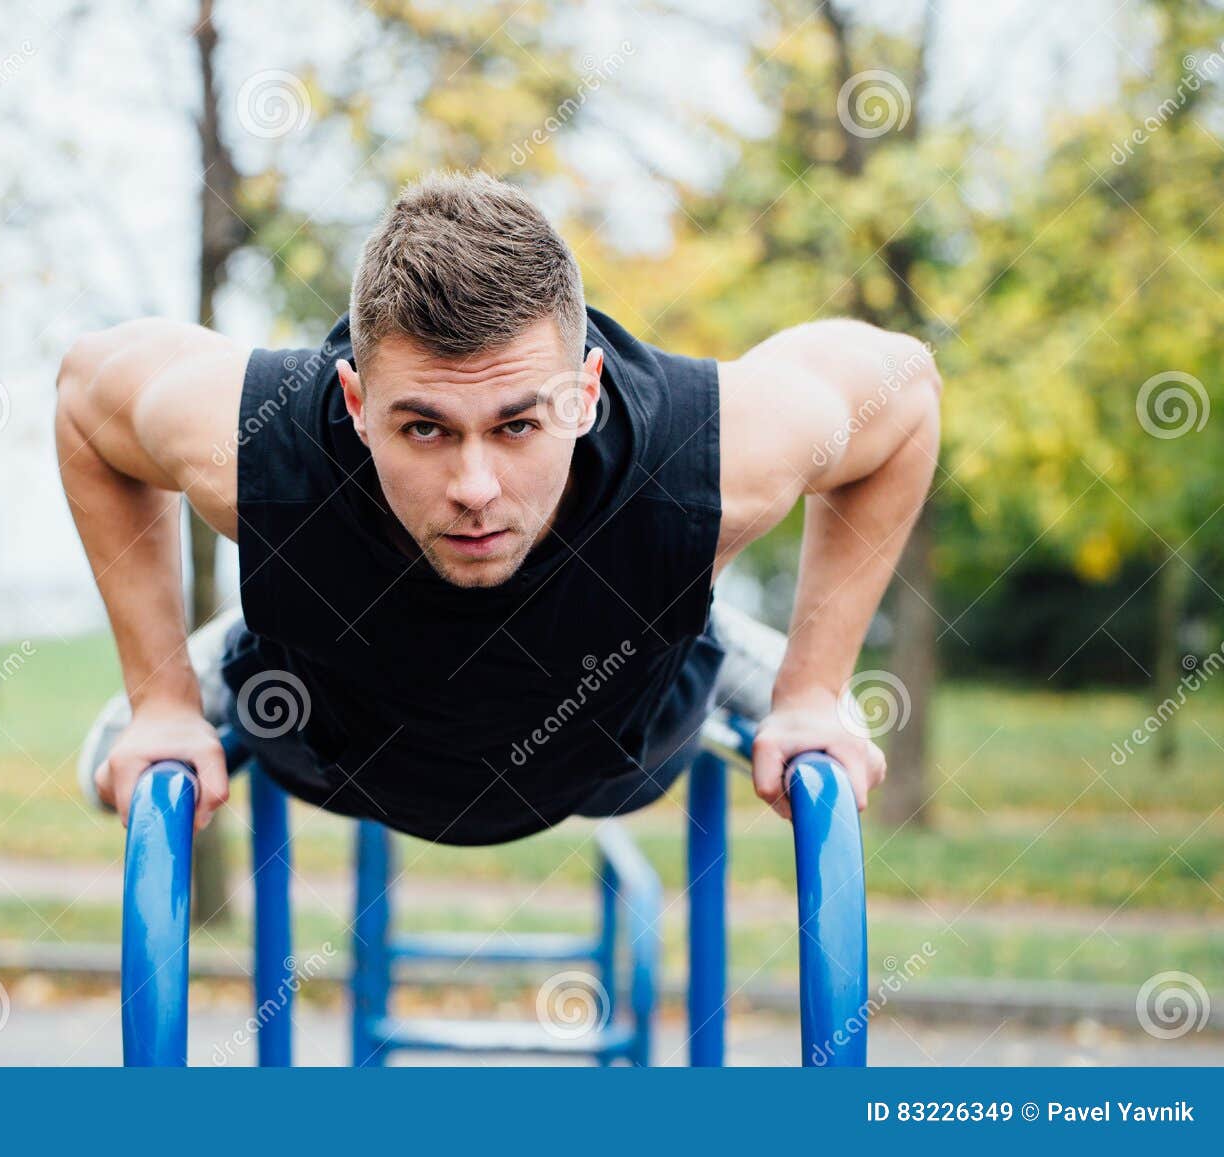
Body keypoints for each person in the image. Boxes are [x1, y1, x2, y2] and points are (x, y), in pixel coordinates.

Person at [56, 170, 941, 846]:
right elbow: (85, 393)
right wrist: (163, 699)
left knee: (821, 719)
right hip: (327, 718)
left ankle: (726, 649)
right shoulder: (268, 452)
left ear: (585, 391)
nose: (475, 486)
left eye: (517, 424)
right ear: (358, 405)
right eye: (426, 429)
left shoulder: (694, 462)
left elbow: (905, 389)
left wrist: (815, 688)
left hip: (630, 711)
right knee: (113, 763)